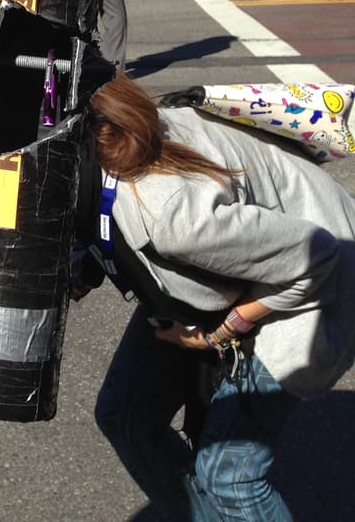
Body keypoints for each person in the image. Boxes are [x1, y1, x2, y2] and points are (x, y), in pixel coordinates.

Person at [81, 74, 355, 521]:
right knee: (125, 416)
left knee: (230, 480)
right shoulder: (109, 132)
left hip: (320, 282)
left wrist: (217, 336)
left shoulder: (170, 216)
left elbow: (317, 257)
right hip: (232, 269)